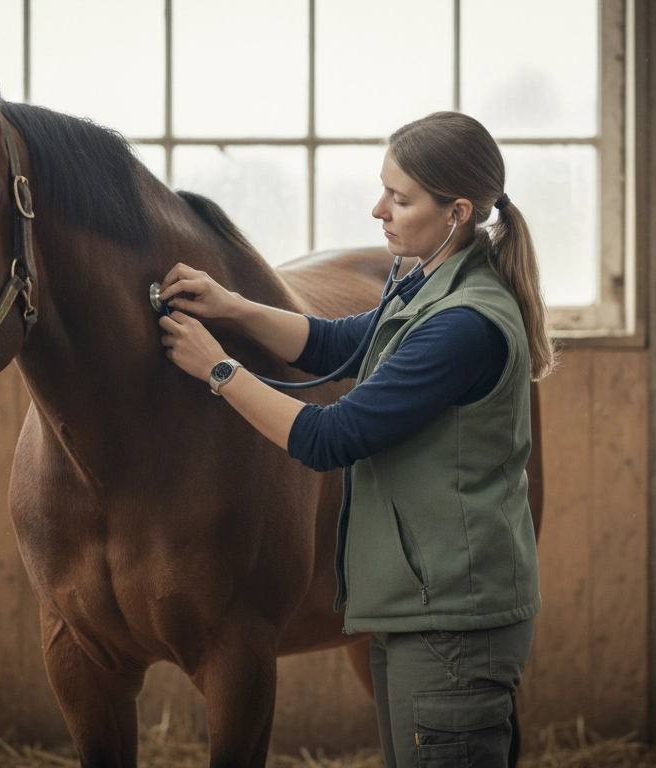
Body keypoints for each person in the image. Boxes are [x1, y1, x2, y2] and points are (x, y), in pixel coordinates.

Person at [156, 111, 555, 768]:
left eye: (400, 198)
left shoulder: (461, 325)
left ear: (456, 212)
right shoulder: (425, 283)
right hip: (414, 607)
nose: (379, 210)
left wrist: (218, 369)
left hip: (454, 618)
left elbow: (330, 436)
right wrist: (231, 307)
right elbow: (336, 344)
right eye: (383, 190)